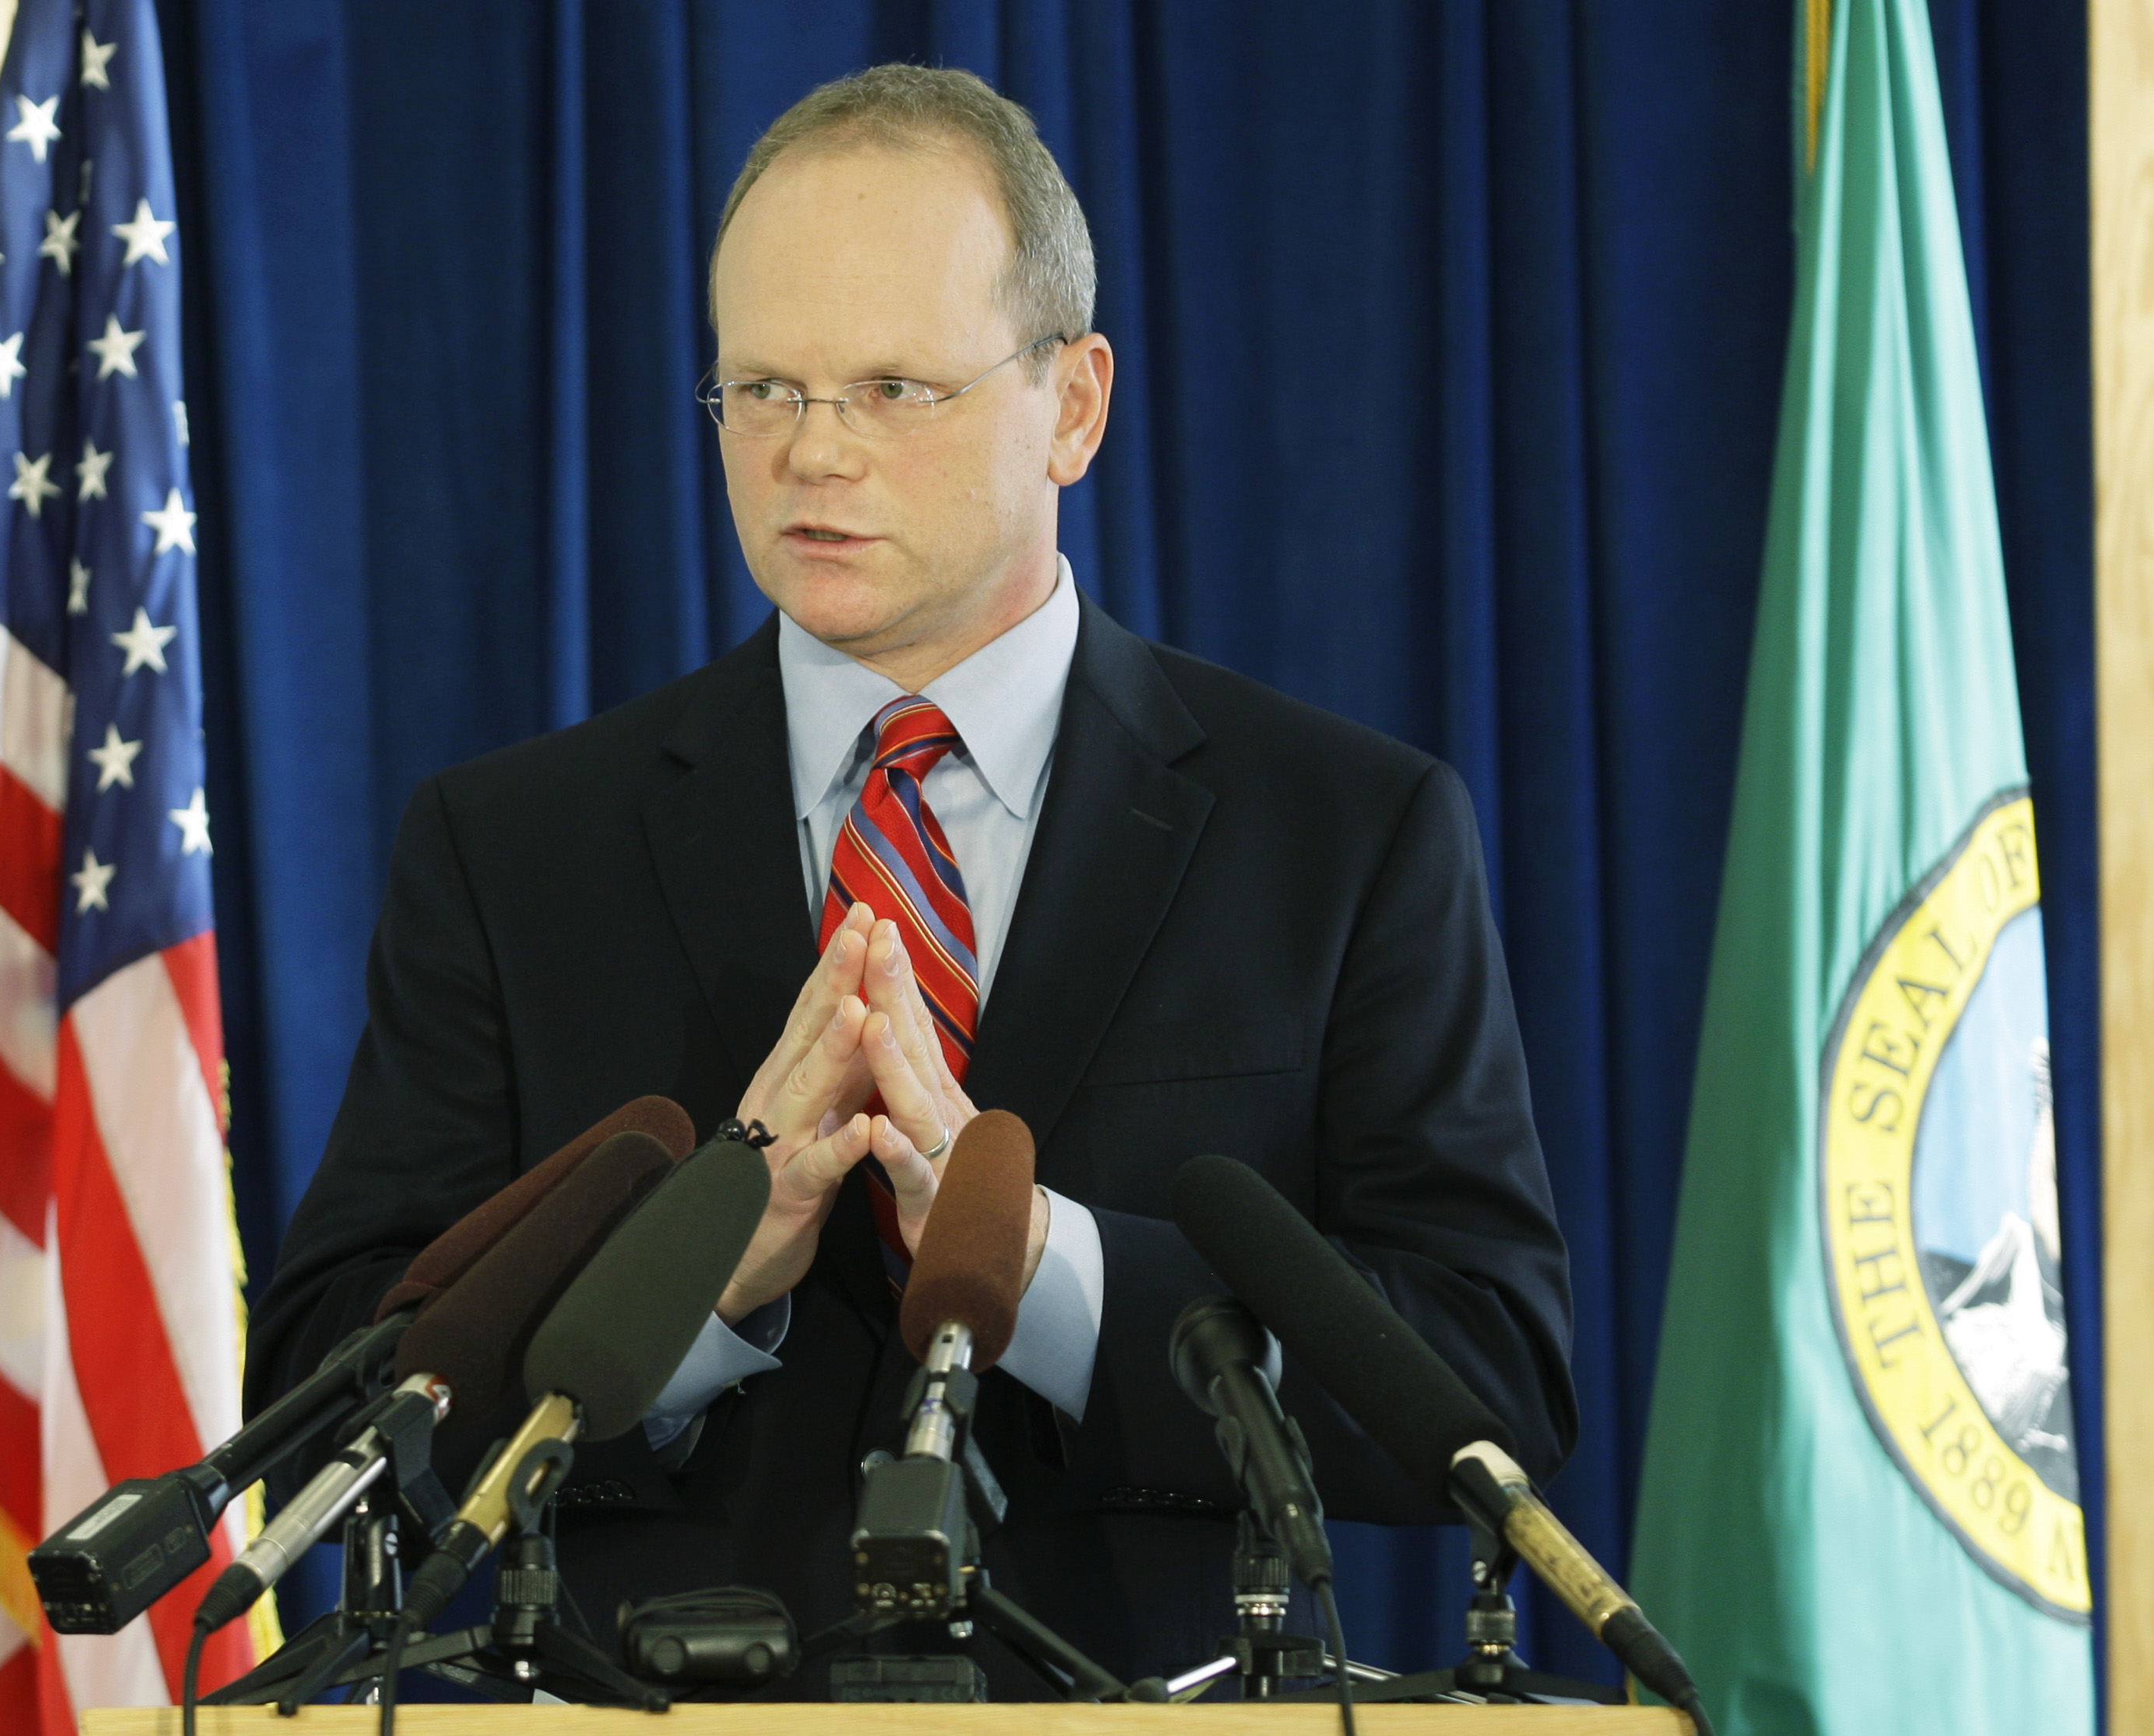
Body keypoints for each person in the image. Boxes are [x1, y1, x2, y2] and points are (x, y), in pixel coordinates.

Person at [249, 63, 1575, 1695]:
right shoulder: (515, 845)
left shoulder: (1345, 834)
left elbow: (1485, 1384)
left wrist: (1049, 1272)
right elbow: (334, 1371)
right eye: (763, 389)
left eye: (892, 387)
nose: (814, 453)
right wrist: (681, 1301)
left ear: (1073, 405)